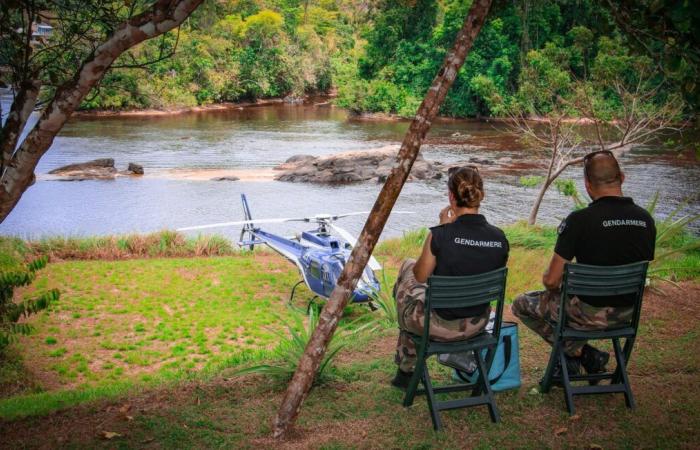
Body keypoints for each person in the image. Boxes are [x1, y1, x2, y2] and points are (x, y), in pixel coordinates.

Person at [512, 150, 656, 377]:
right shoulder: (645, 220)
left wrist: (561, 288)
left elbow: (550, 281)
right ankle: (583, 356)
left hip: (585, 314)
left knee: (522, 303)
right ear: (622, 177)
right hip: (626, 313)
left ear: (587, 184)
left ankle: (580, 354)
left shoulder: (579, 221)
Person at [392, 166, 510, 389]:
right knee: (417, 298)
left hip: (438, 325)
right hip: (478, 323)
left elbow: (420, 276)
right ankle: (458, 351)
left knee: (408, 273)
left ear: (451, 197)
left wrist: (442, 229)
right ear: (480, 196)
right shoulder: (500, 238)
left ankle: (407, 370)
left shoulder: (440, 235)